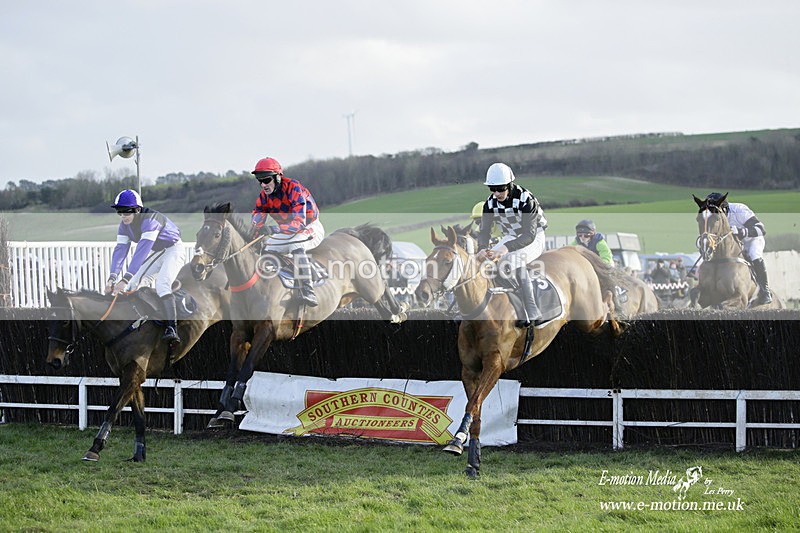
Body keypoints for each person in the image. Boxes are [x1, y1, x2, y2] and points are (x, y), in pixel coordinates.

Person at [105, 189, 185, 343]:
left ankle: (172, 328)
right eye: (119, 212)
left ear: (137, 210)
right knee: (134, 284)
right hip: (159, 251)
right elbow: (120, 251)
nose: (123, 216)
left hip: (174, 249)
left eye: (126, 212)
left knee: (162, 284)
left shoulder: (151, 220)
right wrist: (112, 278)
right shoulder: (123, 226)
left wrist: (125, 279)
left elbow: (141, 251)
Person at [476, 162, 547, 327]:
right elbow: (485, 231)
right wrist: (482, 249)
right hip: (510, 236)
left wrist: (504, 249)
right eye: (492, 189)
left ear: (509, 184)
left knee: (512, 261)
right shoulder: (490, 203)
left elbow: (529, 235)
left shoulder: (526, 199)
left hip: (535, 237)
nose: (496, 193)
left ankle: (532, 309)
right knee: (485, 263)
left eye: (500, 188)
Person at [250, 157, 325, 307]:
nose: (263, 185)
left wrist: (273, 229)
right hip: (287, 231)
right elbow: (257, 221)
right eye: (260, 181)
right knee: (266, 249)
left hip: (308, 227)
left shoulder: (293, 187)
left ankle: (307, 290)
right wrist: (253, 236)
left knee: (294, 244)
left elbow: (299, 222)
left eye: (266, 180)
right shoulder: (264, 197)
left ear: (278, 177)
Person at [704, 192, 772, 304]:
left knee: (754, 255)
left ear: (724, 208)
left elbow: (761, 229)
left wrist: (741, 232)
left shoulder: (739, 210)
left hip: (751, 240)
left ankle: (765, 292)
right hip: (734, 244)